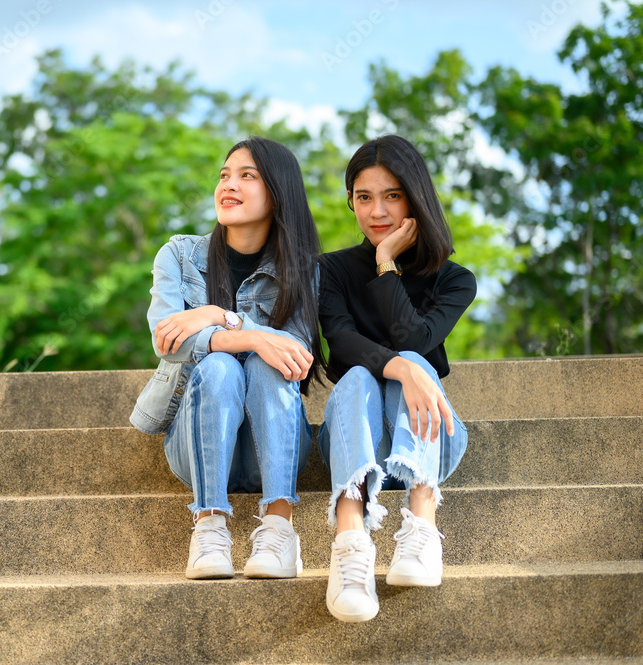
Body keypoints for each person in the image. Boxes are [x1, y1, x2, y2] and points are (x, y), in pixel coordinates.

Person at [130, 136, 324, 580]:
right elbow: (169, 341)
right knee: (217, 367)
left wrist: (214, 320)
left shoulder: (304, 271)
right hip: (194, 446)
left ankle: (279, 527)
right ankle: (208, 527)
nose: (228, 185)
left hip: (271, 448)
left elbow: (292, 355)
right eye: (224, 175)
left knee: (269, 363)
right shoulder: (178, 256)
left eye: (246, 175)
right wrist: (246, 331)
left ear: (278, 194)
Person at [316, 135, 477, 622]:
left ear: (414, 197)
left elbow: (417, 338)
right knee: (358, 379)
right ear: (350, 201)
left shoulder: (454, 279)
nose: (377, 210)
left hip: (429, 439)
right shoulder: (329, 270)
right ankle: (350, 540)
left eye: (391, 195)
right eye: (363, 197)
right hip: (352, 437)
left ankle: (421, 524)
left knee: (414, 358)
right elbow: (339, 342)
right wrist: (397, 365)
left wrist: (386, 261)